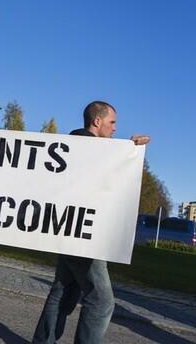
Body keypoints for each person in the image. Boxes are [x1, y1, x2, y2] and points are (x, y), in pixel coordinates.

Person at [32, 101, 150, 344]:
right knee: (101, 301)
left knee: (64, 291)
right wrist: (128, 150)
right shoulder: (91, 152)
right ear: (97, 121)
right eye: (112, 122)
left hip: (67, 230)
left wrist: (128, 148)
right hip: (85, 236)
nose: (115, 128)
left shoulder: (72, 148)